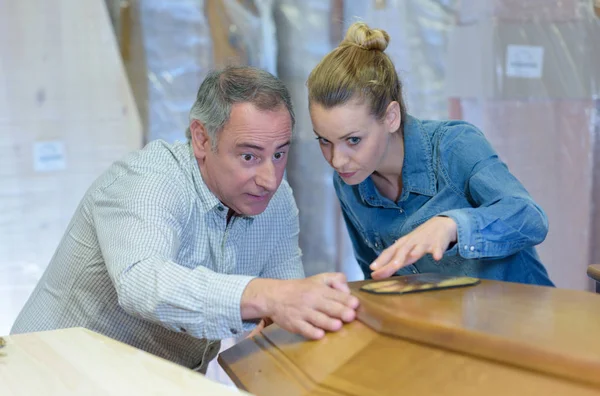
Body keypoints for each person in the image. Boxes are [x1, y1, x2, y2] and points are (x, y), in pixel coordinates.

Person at [11, 66, 359, 373]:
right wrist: (263, 295)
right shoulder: (148, 180)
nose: (270, 178)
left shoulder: (277, 199)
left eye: (280, 153)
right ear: (201, 138)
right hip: (49, 374)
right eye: (249, 156)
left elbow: (286, 300)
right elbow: (142, 283)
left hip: (152, 383)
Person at [306, 22, 554, 286]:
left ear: (391, 117)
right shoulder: (349, 181)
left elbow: (530, 218)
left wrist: (452, 226)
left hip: (519, 318)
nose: (337, 160)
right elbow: (376, 277)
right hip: (442, 324)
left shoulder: (455, 146)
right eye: (324, 140)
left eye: (353, 140)